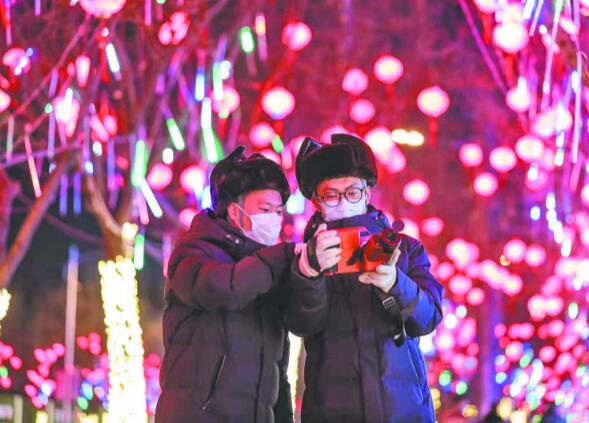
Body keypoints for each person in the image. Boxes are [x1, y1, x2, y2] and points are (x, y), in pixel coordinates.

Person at [155, 146, 318, 423]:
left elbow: (278, 369)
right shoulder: (193, 252)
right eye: (265, 209)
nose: (274, 219)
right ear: (234, 210)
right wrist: (281, 256)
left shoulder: (268, 270)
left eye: (278, 211)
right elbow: (226, 288)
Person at [290, 133, 445, 422]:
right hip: (332, 413)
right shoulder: (304, 257)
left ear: (367, 194)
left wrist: (395, 284)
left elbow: (428, 318)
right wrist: (310, 273)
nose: (343, 202)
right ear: (317, 202)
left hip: (404, 412)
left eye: (352, 192)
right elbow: (301, 324)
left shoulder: (405, 249)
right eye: (331, 195)